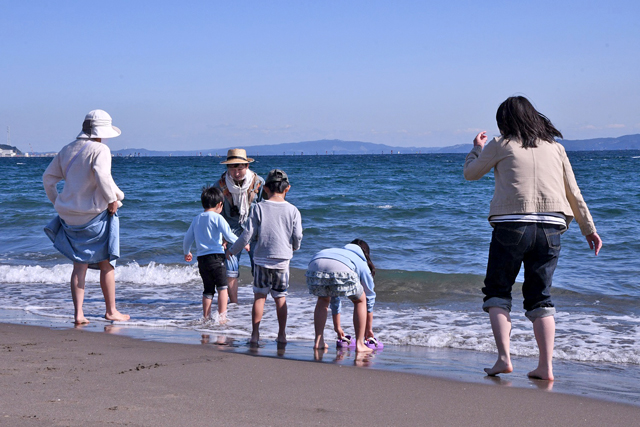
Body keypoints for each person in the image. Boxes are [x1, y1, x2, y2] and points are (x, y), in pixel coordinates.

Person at [463, 96, 603, 381]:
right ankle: (546, 367)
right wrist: (589, 228)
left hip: (512, 225)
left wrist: (476, 149)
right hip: (551, 228)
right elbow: (573, 192)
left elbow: (471, 174)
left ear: (505, 121)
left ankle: (504, 359)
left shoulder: (501, 144)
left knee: (498, 291)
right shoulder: (556, 148)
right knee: (541, 297)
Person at [43, 109, 130, 325]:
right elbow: (102, 176)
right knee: (106, 263)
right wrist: (112, 200)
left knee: (79, 265)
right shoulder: (100, 149)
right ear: (102, 131)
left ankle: (79, 314)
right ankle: (111, 311)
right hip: (95, 216)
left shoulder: (67, 149)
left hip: (69, 217)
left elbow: (48, 179)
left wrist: (57, 203)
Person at [227, 169, 303, 344]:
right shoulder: (293, 210)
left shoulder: (259, 208)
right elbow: (297, 235)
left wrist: (233, 250)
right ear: (287, 188)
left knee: (260, 297)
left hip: (261, 260)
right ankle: (282, 335)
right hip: (282, 261)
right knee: (280, 298)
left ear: (266, 189)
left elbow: (247, 235)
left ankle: (255, 335)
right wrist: (294, 248)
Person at [183, 186, 249, 322]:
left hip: (202, 260)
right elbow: (229, 235)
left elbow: (187, 238)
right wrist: (243, 243)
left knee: (208, 290)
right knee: (222, 288)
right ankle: (222, 316)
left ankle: (206, 317)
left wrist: (187, 252)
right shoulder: (218, 218)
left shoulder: (197, 219)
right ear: (219, 205)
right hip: (217, 258)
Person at [306, 239, 377, 353]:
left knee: (323, 299)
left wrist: (337, 327)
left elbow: (334, 297)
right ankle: (360, 344)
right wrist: (368, 329)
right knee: (360, 300)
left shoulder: (342, 252)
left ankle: (318, 341)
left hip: (315, 262)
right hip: (339, 265)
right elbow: (370, 297)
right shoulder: (361, 261)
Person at [214, 148, 264, 304]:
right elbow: (217, 214)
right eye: (232, 168)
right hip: (230, 231)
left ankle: (259, 303)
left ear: (247, 166)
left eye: (240, 168)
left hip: (255, 231)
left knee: (259, 268)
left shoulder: (259, 183)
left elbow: (265, 209)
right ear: (227, 168)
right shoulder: (220, 185)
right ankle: (234, 304)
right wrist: (221, 236)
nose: (236, 172)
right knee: (230, 269)